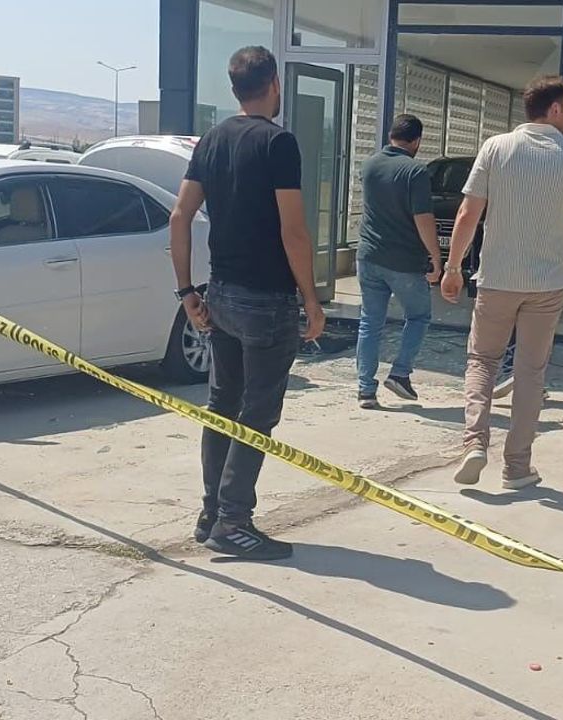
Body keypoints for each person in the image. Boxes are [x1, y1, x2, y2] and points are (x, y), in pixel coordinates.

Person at [169, 46, 325, 561]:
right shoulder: (279, 143)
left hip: (221, 294)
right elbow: (293, 231)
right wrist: (312, 299)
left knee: (222, 406)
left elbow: (179, 217)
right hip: (267, 301)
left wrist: (187, 292)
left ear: (235, 87)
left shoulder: (212, 140)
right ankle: (233, 522)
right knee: (257, 412)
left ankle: (212, 511)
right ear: (274, 84)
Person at [441, 75, 563, 490]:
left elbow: (468, 213)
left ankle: (474, 443)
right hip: (547, 283)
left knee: (482, 361)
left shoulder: (496, 147)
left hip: (497, 278)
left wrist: (452, 267)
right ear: (556, 109)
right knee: (530, 371)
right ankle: (517, 467)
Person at [354, 114, 441, 409]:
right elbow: (423, 218)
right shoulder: (415, 171)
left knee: (370, 322)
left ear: (391, 135)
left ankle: (366, 391)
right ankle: (400, 373)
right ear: (417, 141)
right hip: (404, 261)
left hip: (368, 256)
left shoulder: (369, 165)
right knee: (418, 316)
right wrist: (436, 257)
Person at [492, 211, 563, 399]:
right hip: (557, 249)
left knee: (523, 309)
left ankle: (516, 372)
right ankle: (526, 377)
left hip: (526, 244)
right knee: (540, 318)